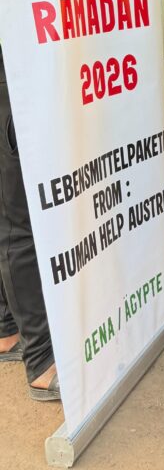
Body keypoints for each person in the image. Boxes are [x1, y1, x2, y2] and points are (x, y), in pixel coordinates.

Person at [0, 50, 60, 400]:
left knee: (7, 215)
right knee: (17, 225)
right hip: (9, 75)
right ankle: (40, 361)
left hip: (13, 71)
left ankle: (6, 330)